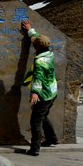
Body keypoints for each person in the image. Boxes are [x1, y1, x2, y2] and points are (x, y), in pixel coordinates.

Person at [22, 20, 58, 156]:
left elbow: (38, 78)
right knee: (43, 116)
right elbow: (38, 39)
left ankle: (35, 148)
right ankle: (52, 138)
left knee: (36, 120)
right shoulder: (49, 53)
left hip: (44, 93)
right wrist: (30, 30)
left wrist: (35, 93)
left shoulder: (40, 61)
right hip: (53, 92)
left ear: (36, 47)